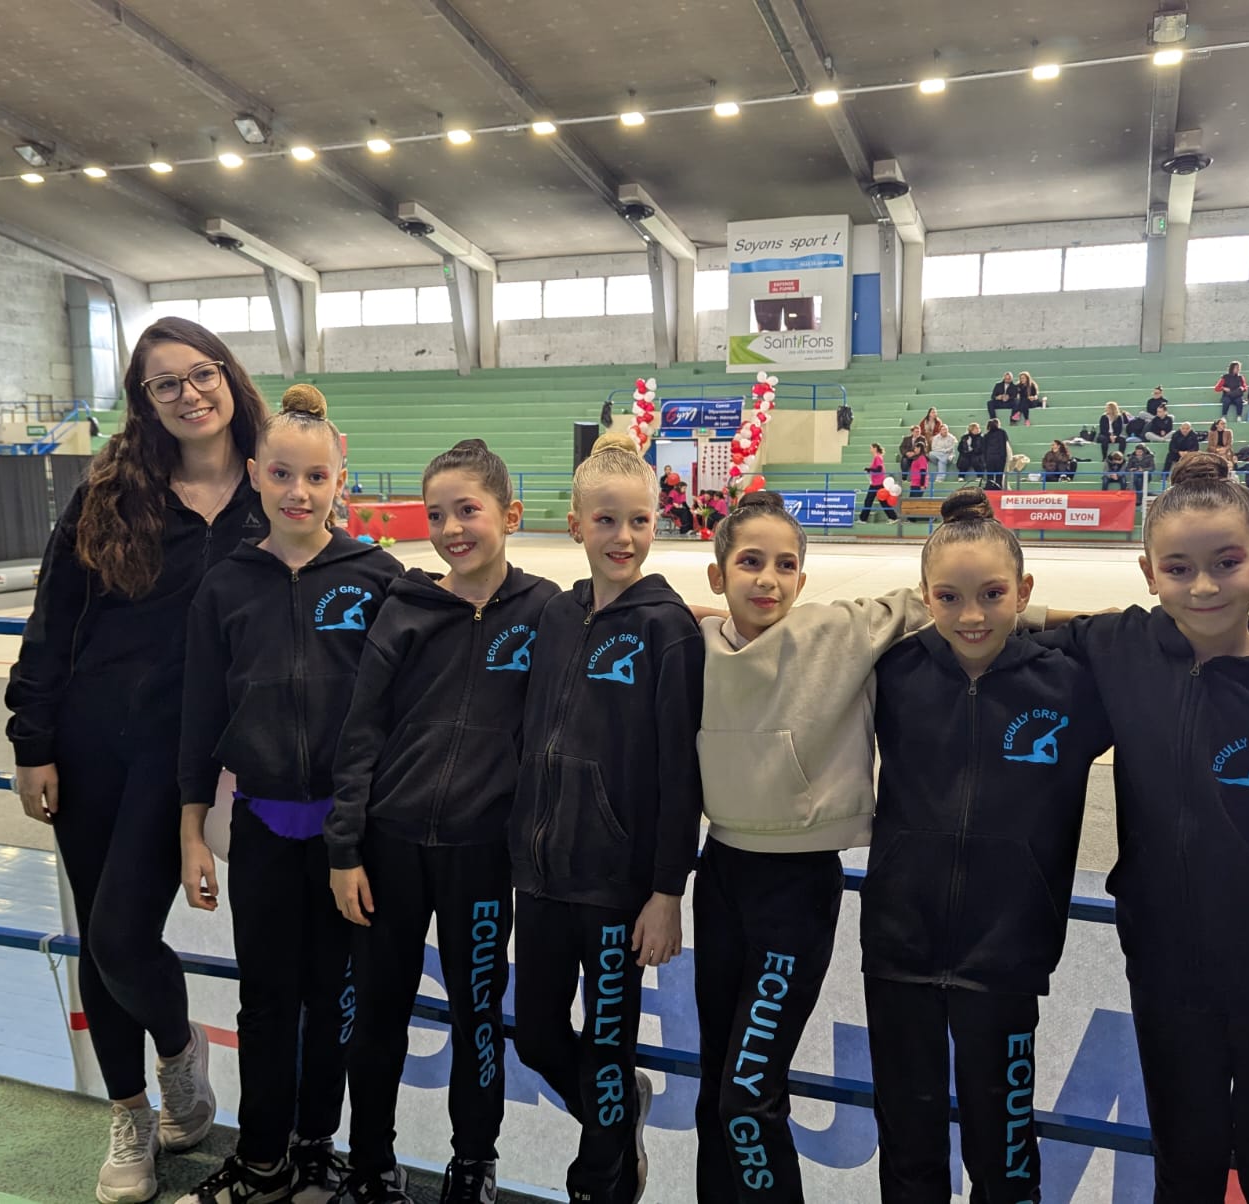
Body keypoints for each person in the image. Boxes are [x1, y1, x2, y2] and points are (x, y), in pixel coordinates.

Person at [1031, 453, 1249, 1202]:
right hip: (1167, 982)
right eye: (1178, 569)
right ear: (1148, 573)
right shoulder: (1123, 648)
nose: (1202, 587)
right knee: (1183, 1173)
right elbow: (999, 618)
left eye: (1227, 563)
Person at [690, 493, 1056, 1203]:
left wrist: (1074, 618)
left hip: (797, 888)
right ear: (718, 575)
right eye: (750, 562)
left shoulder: (840, 631)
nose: (768, 578)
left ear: (803, 577)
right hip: (723, 873)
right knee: (718, 1089)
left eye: (785, 565)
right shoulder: (693, 640)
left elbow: (956, 602)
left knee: (745, 1096)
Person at [5, 317, 266, 1204]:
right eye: (167, 383)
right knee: (99, 938)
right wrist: (32, 741)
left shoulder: (272, 489)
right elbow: (52, 622)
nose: (191, 394)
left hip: (189, 758)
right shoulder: (109, 495)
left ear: (228, 377)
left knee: (120, 933)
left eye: (203, 374)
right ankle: (131, 1113)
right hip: (90, 742)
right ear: (144, 402)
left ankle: (180, 1052)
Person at [175, 385, 401, 1204]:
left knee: (335, 1001)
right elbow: (200, 714)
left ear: (341, 477)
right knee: (267, 1003)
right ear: (254, 475)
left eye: (315, 476)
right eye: (281, 475)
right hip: (264, 830)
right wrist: (192, 830)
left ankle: (315, 1149)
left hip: (351, 842)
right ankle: (262, 1157)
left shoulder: (379, 577)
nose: (298, 492)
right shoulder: (226, 585)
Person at [327, 440, 559, 1204]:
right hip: (389, 848)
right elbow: (361, 730)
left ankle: (473, 1167)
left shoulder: (547, 612)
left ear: (509, 515)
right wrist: (345, 849)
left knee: (477, 1016)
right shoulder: (406, 609)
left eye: (468, 510)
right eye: (436, 515)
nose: (452, 529)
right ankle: (370, 1162)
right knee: (377, 1012)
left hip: (481, 855)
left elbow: (623, 626)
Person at [863, 491, 1109, 1203]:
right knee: (907, 1150)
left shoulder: (1070, 684)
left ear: (1024, 593)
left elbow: (1168, 642)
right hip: (900, 949)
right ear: (925, 598)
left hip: (1007, 955)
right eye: (950, 597)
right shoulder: (892, 672)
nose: (972, 615)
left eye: (993, 595)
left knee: (1004, 1156)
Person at [510, 432, 704, 1204]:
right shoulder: (555, 616)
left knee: (610, 1045)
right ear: (575, 526)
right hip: (542, 875)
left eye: (640, 521)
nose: (623, 537)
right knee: (536, 1035)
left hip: (618, 885)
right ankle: (619, 1117)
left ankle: (600, 1186)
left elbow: (681, 772)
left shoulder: (668, 628)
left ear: (657, 523)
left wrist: (667, 891)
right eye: (606, 520)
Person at [860, 444, 896, 522]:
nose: (870, 450)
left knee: (869, 501)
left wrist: (869, 469)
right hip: (876, 483)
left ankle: (863, 519)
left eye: (871, 448)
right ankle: (893, 517)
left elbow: (879, 469)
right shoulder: (878, 457)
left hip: (877, 484)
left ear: (875, 448)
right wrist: (870, 470)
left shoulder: (877, 457)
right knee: (882, 501)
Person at [982, 418, 1010, 491]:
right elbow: (1004, 445)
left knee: (990, 476)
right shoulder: (1002, 433)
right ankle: (998, 489)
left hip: (989, 457)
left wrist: (985, 460)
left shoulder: (986, 435)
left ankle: (990, 489)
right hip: (1000, 457)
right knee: (999, 476)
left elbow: (984, 449)